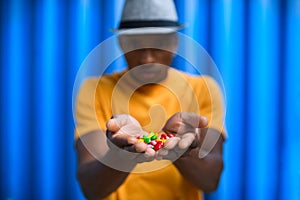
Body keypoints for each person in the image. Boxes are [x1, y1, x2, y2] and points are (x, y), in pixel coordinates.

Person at [74, 0, 226, 199]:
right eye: (136, 46)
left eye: (158, 45)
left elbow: (210, 180)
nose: (147, 59)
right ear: (122, 43)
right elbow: (91, 188)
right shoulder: (94, 90)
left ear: (175, 43)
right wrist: (122, 155)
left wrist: (180, 151)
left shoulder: (203, 88)